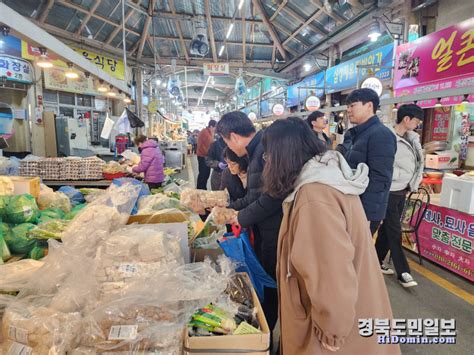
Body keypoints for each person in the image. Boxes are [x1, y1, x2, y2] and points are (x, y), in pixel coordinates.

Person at [263, 118, 400, 355]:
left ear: (282, 155)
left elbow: (331, 274)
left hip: (333, 335)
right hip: (354, 313)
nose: (266, 162)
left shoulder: (314, 197)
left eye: (268, 155)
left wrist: (332, 330)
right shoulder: (327, 178)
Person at [216, 111, 282, 333]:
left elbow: (270, 198)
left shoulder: (262, 152)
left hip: (274, 232)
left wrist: (238, 215)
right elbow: (256, 195)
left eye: (226, 141)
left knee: (271, 287)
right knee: (269, 286)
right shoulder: (259, 150)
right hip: (266, 230)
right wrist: (231, 210)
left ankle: (265, 335)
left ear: (233, 136)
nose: (230, 149)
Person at [376, 104, 424, 288]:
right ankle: (403, 272)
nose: (418, 124)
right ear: (406, 119)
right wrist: (399, 176)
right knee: (394, 230)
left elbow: (418, 163)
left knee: (387, 229)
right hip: (389, 190)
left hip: (403, 190)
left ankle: (376, 260)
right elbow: (383, 163)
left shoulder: (413, 138)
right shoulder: (388, 137)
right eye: (417, 121)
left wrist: (413, 181)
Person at [337, 88, 397, 235]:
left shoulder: (381, 135)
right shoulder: (356, 134)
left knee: (357, 254)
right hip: (352, 205)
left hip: (364, 211)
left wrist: (368, 215)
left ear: (369, 106)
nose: (349, 110)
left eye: (353, 105)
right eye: (348, 106)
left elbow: (380, 178)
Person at [196, 120, 217, 190]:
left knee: (204, 174)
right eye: (215, 127)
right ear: (211, 126)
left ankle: (201, 188)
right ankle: (201, 189)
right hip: (203, 156)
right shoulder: (205, 133)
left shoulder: (207, 132)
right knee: (203, 174)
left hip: (203, 156)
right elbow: (207, 146)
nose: (215, 129)